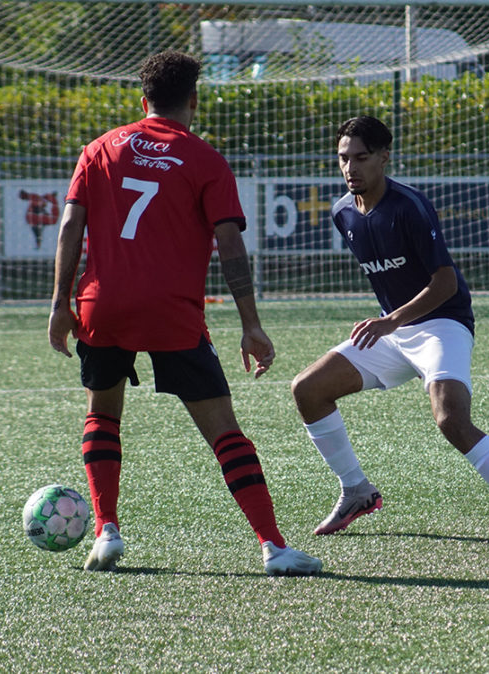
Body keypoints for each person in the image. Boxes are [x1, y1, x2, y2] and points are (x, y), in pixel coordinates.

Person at [48, 50, 321, 575]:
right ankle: (273, 546)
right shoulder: (205, 160)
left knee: (103, 414)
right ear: (193, 100)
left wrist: (60, 305)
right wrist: (250, 324)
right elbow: (230, 247)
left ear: (142, 99)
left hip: (103, 304)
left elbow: (69, 228)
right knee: (224, 431)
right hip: (172, 312)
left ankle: (106, 530)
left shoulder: (100, 148)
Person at [291, 116, 489, 542]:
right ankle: (356, 490)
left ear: (383, 157)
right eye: (343, 158)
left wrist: (390, 320)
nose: (350, 168)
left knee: (450, 418)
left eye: (360, 158)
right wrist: (390, 324)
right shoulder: (342, 212)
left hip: (442, 324)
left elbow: (444, 283)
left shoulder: (408, 205)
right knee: (307, 389)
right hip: (393, 332)